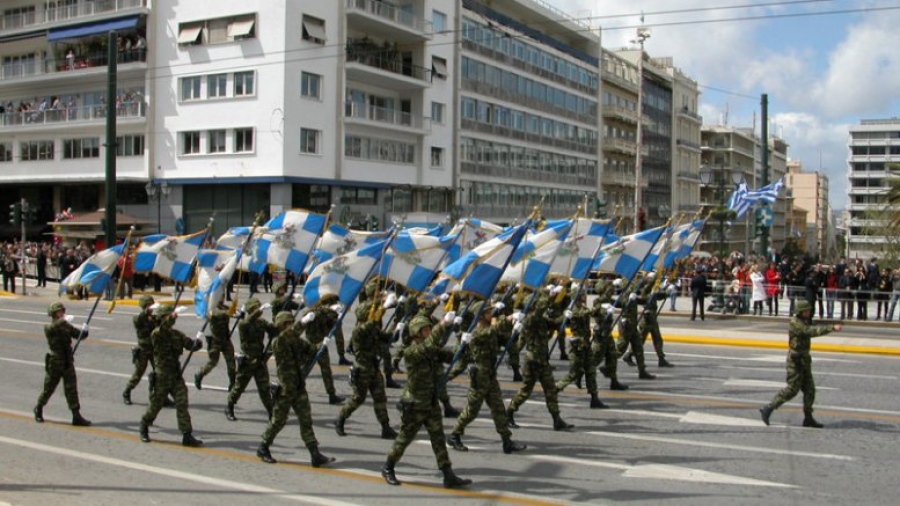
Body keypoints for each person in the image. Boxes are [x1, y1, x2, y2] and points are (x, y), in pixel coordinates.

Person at [381, 315, 472, 489]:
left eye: (430, 329)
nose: (429, 332)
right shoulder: (412, 352)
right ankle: (388, 467)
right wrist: (443, 324)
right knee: (404, 439)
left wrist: (464, 343)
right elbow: (429, 345)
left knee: (438, 439)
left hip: (430, 402)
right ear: (416, 333)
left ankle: (448, 475)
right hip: (415, 404)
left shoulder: (431, 349)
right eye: (425, 330)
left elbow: (453, 357)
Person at [256, 311, 334, 467]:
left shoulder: (294, 339)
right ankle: (263, 447)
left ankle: (314, 453)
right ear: (284, 325)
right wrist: (302, 323)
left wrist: (322, 344)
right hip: (285, 389)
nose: (292, 325)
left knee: (306, 419)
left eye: (293, 322)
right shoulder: (278, 341)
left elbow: (310, 350)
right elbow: (290, 339)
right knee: (279, 421)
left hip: (298, 386)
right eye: (289, 323)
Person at [448, 306, 528, 453]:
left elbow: (505, 340)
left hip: (490, 376)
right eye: (487, 313)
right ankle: (454, 435)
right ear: (480, 315)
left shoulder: (488, 332)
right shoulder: (477, 333)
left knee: (498, 408)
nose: (490, 314)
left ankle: (507, 441)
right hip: (479, 377)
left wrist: (515, 332)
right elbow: (491, 332)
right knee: (472, 410)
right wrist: (508, 319)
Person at [760, 300, 842, 428]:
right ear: (800, 311)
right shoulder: (795, 323)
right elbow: (809, 331)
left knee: (810, 390)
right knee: (792, 390)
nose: (809, 312)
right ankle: (768, 408)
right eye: (806, 310)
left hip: (804, 360)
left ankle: (808, 418)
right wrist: (831, 328)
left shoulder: (804, 321)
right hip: (795, 361)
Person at [505, 288, 574, 430]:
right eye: (537, 304)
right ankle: (509, 412)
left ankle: (557, 419)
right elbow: (521, 342)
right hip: (533, 361)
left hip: (542, 360)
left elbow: (554, 323)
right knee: (525, 391)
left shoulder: (540, 319)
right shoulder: (530, 319)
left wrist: (564, 316)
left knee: (550, 390)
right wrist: (551, 295)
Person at [334, 291, 397, 439]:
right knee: (358, 398)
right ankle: (340, 419)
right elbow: (369, 327)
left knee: (380, 398)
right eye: (372, 312)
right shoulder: (360, 330)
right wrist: (384, 307)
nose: (375, 314)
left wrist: (397, 326)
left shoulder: (372, 328)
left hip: (373, 368)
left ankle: (385, 428)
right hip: (362, 370)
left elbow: (387, 338)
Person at [139, 305, 204, 446]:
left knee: (182, 404)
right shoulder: (156, 333)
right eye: (167, 317)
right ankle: (144, 425)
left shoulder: (177, 334)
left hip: (175, 376)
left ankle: (187, 435)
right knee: (155, 405)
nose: (171, 320)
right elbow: (162, 329)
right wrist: (173, 316)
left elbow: (189, 345)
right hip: (162, 376)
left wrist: (197, 343)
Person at [34, 302, 91, 426]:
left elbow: (78, 335)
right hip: (55, 363)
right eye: (59, 312)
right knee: (49, 388)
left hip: (67, 362)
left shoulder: (65, 325)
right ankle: (39, 408)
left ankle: (76, 416)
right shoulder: (49, 327)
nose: (62, 313)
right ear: (54, 314)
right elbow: (52, 329)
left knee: (71, 389)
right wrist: (63, 321)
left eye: (62, 311)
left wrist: (85, 331)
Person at [225, 298, 278, 421]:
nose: (258, 310)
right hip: (248, 361)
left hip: (259, 361)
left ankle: (271, 412)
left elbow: (273, 329)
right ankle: (229, 407)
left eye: (258, 307)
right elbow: (249, 320)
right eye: (255, 308)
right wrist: (258, 311)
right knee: (239, 387)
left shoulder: (261, 322)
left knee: (264, 388)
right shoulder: (244, 324)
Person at [555, 292, 608, 407]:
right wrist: (599, 306)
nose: (585, 296)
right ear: (578, 297)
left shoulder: (582, 307)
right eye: (583, 295)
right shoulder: (573, 310)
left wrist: (603, 310)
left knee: (590, 370)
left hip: (585, 344)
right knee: (574, 373)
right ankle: (555, 389)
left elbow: (591, 312)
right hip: (577, 346)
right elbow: (583, 314)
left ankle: (594, 398)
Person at [303, 294, 345, 405]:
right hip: (317, 345)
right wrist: (336, 316)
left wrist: (336, 317)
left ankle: (332, 395)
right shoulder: (325, 313)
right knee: (321, 370)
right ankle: (331, 395)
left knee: (307, 370)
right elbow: (332, 326)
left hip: (315, 344)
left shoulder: (311, 311)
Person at [194, 299, 237, 391]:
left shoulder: (224, 308)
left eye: (222, 295)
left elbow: (234, 314)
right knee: (213, 362)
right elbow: (220, 314)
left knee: (231, 362)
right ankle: (200, 374)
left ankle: (233, 383)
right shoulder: (211, 310)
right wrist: (230, 312)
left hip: (225, 340)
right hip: (215, 341)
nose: (222, 297)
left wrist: (239, 313)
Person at [123, 296, 157, 405]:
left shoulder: (154, 318)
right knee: (138, 373)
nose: (151, 308)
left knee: (159, 372)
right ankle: (127, 392)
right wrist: (146, 312)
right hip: (143, 350)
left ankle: (160, 396)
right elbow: (138, 320)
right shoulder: (138, 318)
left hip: (154, 349)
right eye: (149, 305)